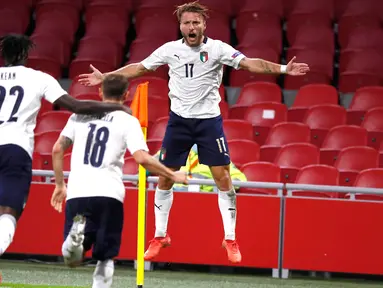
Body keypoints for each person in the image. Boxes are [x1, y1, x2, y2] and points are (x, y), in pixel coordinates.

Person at [78, 1, 310, 263]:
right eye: (187, 22)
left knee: (223, 179)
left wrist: (282, 69)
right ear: (180, 26)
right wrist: (106, 76)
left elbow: (248, 63)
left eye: (196, 22)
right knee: (165, 178)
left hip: (209, 123)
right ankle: (160, 235)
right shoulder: (169, 50)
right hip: (179, 123)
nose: (191, 27)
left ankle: (230, 238)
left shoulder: (217, 49)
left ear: (203, 25)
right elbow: (139, 68)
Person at [0, 34, 133, 257]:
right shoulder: (38, 78)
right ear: (25, 54)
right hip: (15, 148)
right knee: (8, 212)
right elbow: (77, 106)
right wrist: (115, 108)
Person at [50, 74, 187, 288]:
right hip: (108, 193)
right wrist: (172, 175)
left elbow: (57, 148)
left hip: (78, 191)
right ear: (125, 95)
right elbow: (142, 158)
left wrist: (60, 184)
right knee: (105, 258)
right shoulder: (128, 121)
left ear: (100, 92)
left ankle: (76, 239)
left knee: (73, 260)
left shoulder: (78, 116)